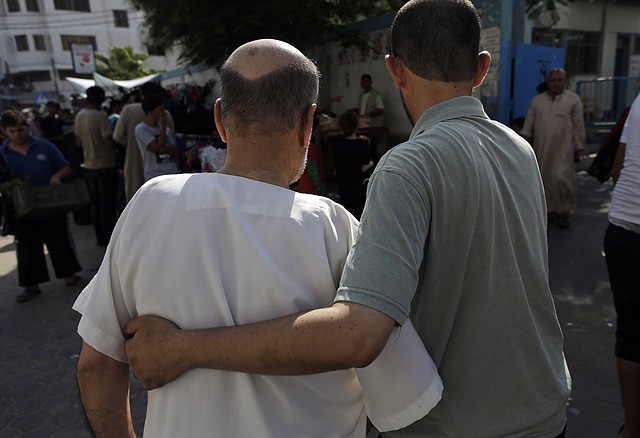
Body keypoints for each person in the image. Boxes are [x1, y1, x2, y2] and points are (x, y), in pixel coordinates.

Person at [123, 1, 572, 436]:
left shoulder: (406, 167)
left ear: (394, 70)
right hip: (543, 406)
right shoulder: (518, 148)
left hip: (458, 424)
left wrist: (181, 348)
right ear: (481, 68)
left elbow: (359, 334)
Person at [73, 39, 441, 438]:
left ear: (219, 119)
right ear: (308, 124)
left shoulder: (151, 204)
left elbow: (97, 365)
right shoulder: (336, 228)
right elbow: (401, 395)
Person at [0, 109, 84, 303]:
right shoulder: (3, 154)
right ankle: (31, 286)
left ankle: (70, 277)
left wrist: (57, 176)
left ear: (28, 127)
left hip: (50, 203)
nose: (17, 134)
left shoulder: (44, 146)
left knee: (59, 240)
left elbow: (65, 167)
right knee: (27, 247)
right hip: (21, 209)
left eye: (21, 129)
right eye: (12, 131)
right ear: (5, 132)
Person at [604, 92, 640, 438]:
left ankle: (632, 427)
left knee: (631, 337)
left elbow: (618, 169)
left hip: (623, 231)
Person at [521, 67, 586, 229]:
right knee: (544, 178)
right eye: (553, 80)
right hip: (543, 147)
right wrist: (522, 145)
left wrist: (578, 148)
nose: (556, 83)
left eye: (560, 80)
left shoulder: (573, 100)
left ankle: (563, 211)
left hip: (564, 148)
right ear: (548, 82)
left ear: (564, 82)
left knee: (561, 178)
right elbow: (528, 125)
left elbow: (579, 125)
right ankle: (548, 211)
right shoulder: (537, 101)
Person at [113, 82, 176, 203]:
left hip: (135, 165)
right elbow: (171, 142)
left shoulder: (128, 110)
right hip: (165, 170)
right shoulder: (165, 114)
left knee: (136, 205)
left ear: (141, 94)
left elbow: (118, 137)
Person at [74, 86, 117, 246]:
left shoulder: (79, 116)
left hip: (89, 165)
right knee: (107, 205)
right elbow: (108, 143)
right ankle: (109, 237)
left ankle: (100, 237)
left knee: (96, 204)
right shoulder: (100, 116)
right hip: (105, 165)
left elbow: (78, 142)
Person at [333, 111, 374, 218]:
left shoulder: (337, 147)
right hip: (361, 186)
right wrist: (370, 165)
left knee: (347, 216)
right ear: (356, 125)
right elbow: (368, 164)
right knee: (361, 216)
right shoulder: (364, 144)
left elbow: (336, 168)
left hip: (344, 187)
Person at [135, 94, 179, 181]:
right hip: (154, 175)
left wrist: (163, 148)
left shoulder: (166, 129)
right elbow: (159, 148)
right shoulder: (141, 129)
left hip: (171, 172)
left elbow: (175, 152)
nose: (163, 113)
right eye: (160, 110)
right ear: (150, 112)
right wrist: (162, 127)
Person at [350, 74, 388, 159]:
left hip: (375, 127)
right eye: (362, 82)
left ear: (371, 82)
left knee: (376, 151)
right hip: (365, 128)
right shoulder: (361, 95)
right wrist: (353, 111)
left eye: (366, 82)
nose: (364, 84)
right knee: (367, 150)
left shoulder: (376, 95)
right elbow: (362, 109)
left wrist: (368, 115)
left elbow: (381, 109)